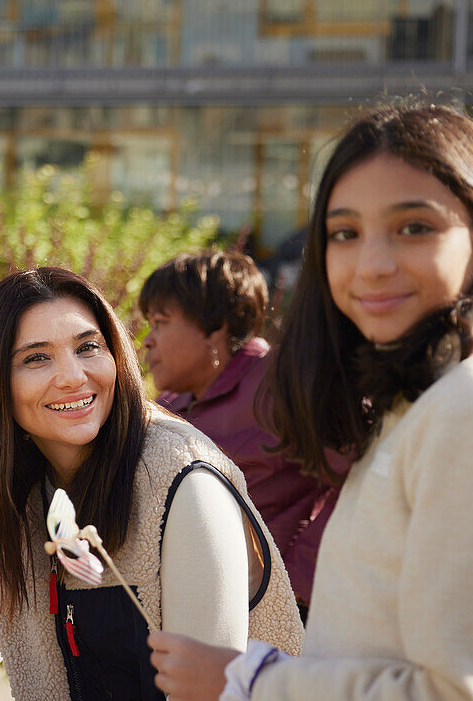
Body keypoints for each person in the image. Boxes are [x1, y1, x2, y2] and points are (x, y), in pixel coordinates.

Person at [148, 102, 473, 701]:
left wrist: (248, 677)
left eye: (414, 227)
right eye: (345, 233)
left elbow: (451, 691)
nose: (372, 265)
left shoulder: (465, 408)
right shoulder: (412, 404)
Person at [0, 266, 302, 700]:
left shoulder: (185, 484)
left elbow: (208, 695)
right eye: (36, 357)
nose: (73, 376)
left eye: (88, 347)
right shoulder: (16, 498)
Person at [140, 250, 338, 611]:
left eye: (161, 322)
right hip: (192, 609)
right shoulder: (167, 406)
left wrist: (297, 576)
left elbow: (359, 476)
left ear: (215, 328)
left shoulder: (281, 382)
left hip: (281, 617)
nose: (147, 340)